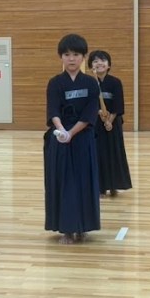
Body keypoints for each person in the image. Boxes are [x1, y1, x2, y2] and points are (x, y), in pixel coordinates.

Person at [44, 33, 100, 244]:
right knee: (64, 182)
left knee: (83, 182)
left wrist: (72, 133)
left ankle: (83, 227)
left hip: (83, 139)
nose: (71, 59)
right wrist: (62, 131)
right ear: (61, 57)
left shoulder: (91, 83)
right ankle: (67, 229)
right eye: (67, 54)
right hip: (60, 140)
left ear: (83, 57)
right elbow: (53, 110)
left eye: (76, 54)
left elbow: (90, 113)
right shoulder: (55, 83)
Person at [88, 49, 132, 196]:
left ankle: (114, 185)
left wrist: (110, 121)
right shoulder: (89, 83)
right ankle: (100, 187)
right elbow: (88, 103)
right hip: (95, 124)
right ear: (91, 66)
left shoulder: (115, 82)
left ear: (109, 65)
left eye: (103, 60)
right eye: (95, 61)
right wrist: (98, 112)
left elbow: (119, 104)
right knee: (98, 153)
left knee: (113, 153)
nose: (99, 63)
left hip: (113, 124)